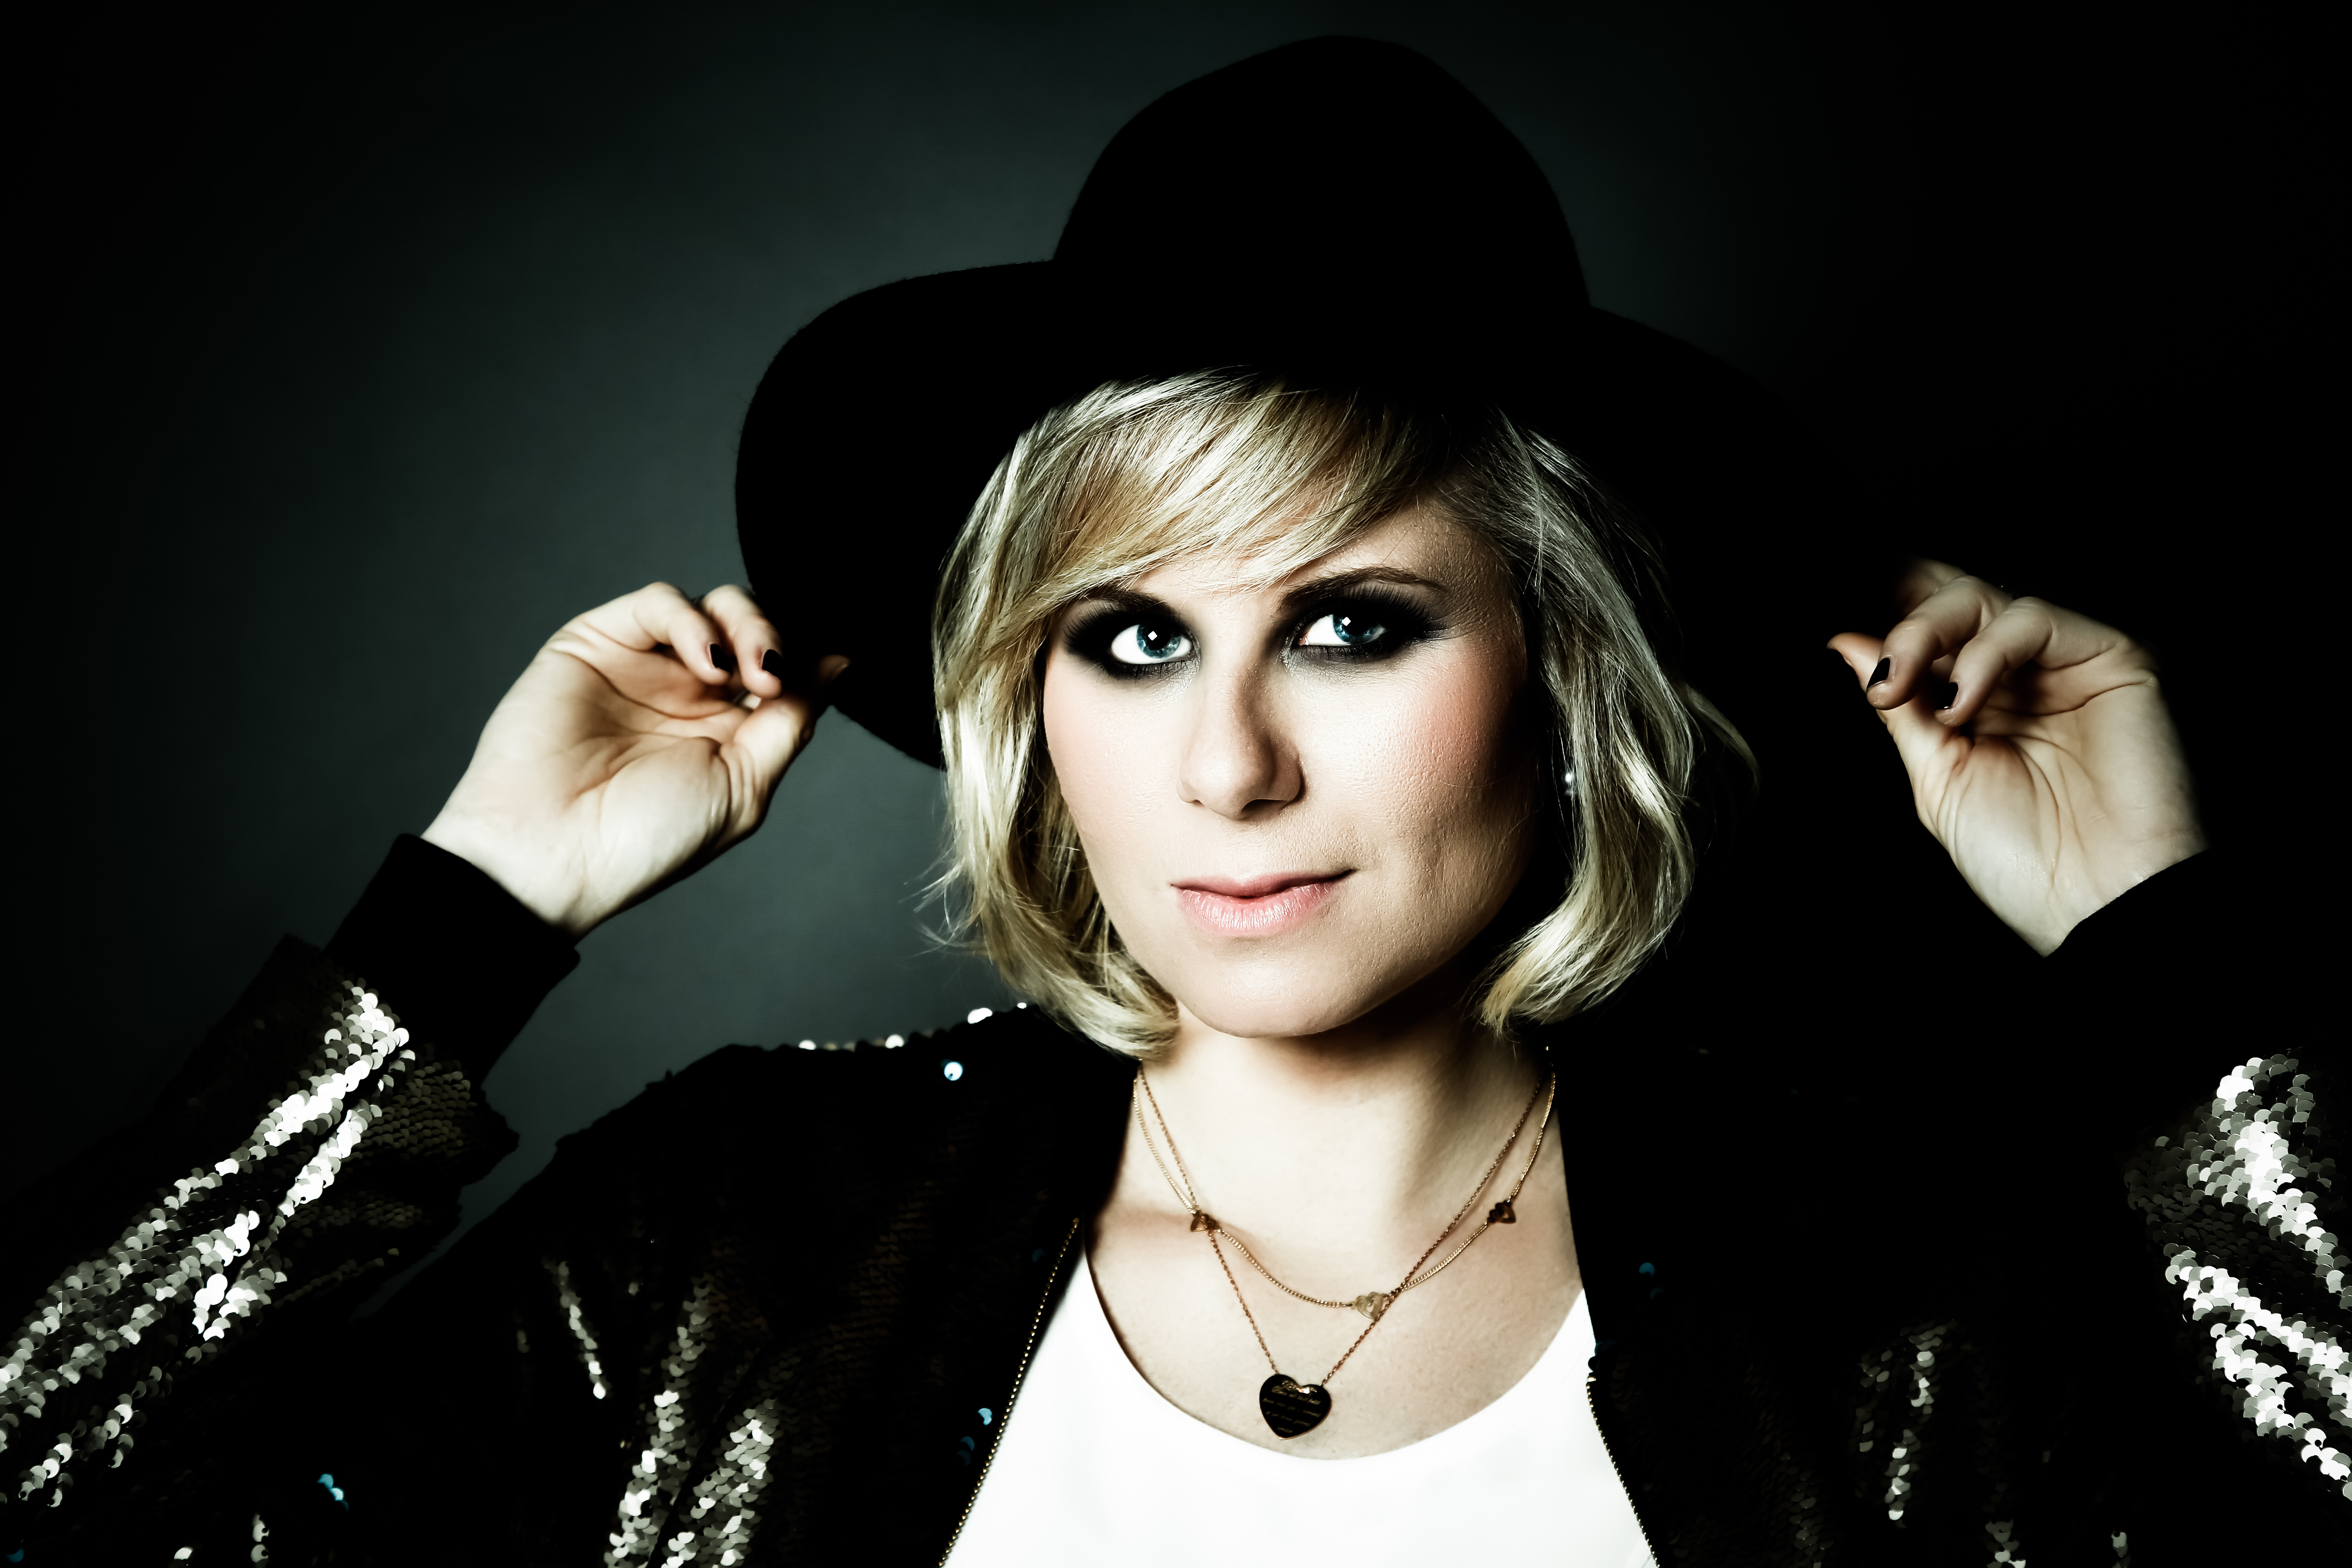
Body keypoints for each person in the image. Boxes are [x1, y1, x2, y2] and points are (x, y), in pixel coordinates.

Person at [3, 38, 2337, 1567]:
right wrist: (465, 924)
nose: (1227, 764)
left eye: (1354, 624)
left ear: (1566, 673)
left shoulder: (1893, 1294)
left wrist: (2163, 956)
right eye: (1130, 638)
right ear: (1031, 699)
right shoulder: (735, 1245)